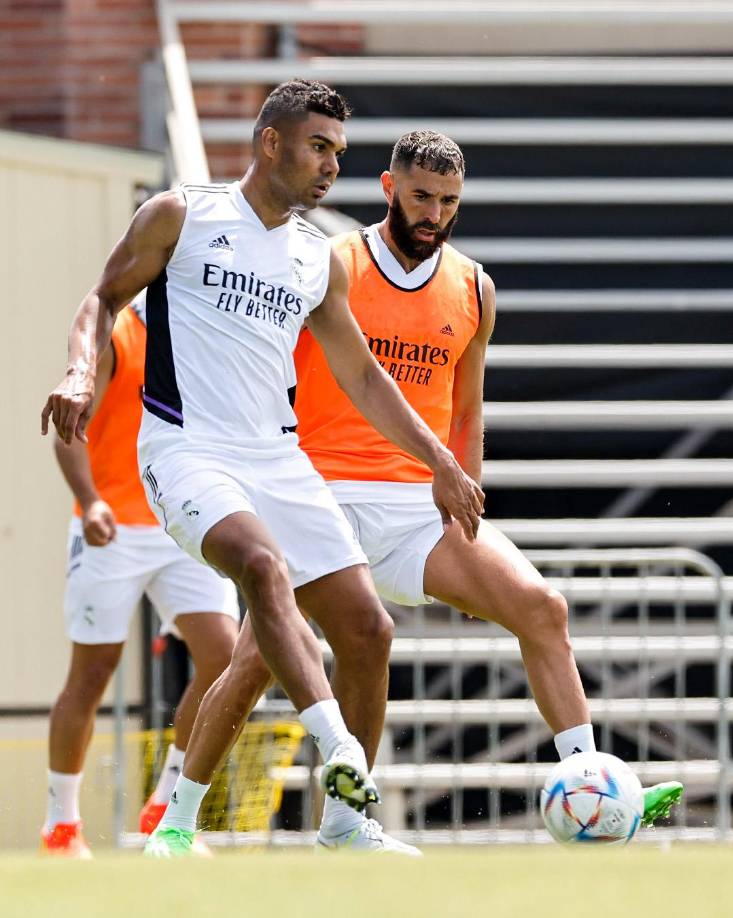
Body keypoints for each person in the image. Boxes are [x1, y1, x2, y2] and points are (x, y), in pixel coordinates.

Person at [164, 130, 683, 854]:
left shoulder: (473, 286)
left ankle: (588, 783)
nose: (434, 212)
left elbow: (467, 405)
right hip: (320, 491)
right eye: (420, 197)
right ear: (387, 188)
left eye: (448, 201)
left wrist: (463, 486)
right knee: (258, 660)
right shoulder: (328, 261)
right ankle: (179, 822)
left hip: (416, 507)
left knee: (542, 607)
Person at [41, 83, 483, 858]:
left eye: (340, 154)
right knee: (259, 565)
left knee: (368, 630)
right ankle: (340, 751)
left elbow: (365, 379)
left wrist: (438, 457)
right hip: (186, 450)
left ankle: (339, 826)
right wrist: (81, 372)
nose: (330, 168)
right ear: (270, 143)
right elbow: (101, 298)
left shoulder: (318, 257)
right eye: (319, 148)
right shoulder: (183, 215)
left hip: (278, 458)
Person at [41, 295, 241, 858]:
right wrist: (91, 501)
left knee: (225, 657)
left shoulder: (211, 330)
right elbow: (69, 432)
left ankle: (167, 808)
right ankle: (61, 827)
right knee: (92, 672)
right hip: (111, 524)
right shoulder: (119, 334)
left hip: (183, 518)